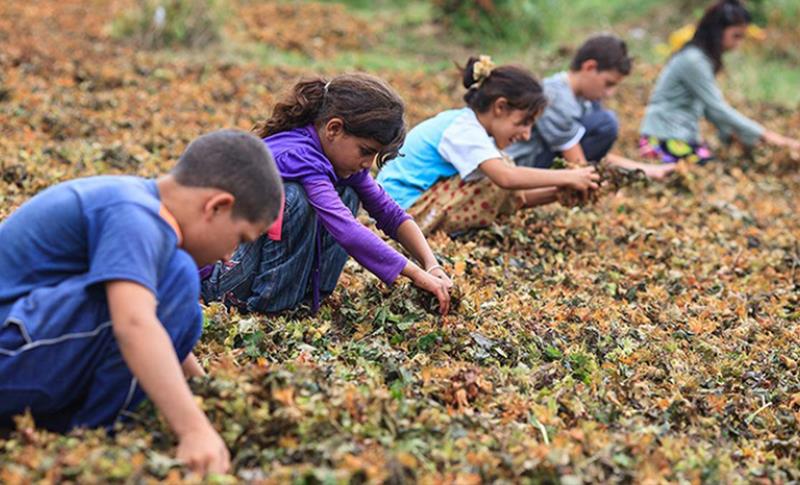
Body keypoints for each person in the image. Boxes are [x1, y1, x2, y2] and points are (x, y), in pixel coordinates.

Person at [0, 130, 283, 475]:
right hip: (9, 354)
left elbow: (164, 328)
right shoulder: (135, 214)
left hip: (26, 350)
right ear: (217, 206)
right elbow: (135, 324)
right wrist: (193, 429)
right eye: (239, 239)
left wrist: (206, 393)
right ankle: (92, 437)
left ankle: (81, 427)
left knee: (184, 306)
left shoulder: (136, 202)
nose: (229, 256)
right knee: (177, 278)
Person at [201, 74, 452, 316]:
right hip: (221, 279)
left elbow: (390, 214)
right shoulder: (298, 155)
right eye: (365, 151)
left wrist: (431, 265)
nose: (368, 164)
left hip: (251, 269)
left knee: (348, 192)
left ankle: (307, 296)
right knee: (294, 199)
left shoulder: (338, 159)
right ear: (334, 129)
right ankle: (270, 308)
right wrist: (416, 275)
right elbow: (348, 230)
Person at [376, 56, 600, 236]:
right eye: (524, 123)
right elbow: (506, 180)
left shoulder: (471, 128)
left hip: (405, 206)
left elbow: (511, 194)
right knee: (498, 175)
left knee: (499, 172)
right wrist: (568, 177)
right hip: (399, 212)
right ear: (500, 107)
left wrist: (558, 192)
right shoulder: (463, 129)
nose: (526, 134)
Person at [640, 0, 800, 163]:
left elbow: (711, 111)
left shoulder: (701, 59)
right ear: (717, 31)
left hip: (678, 135)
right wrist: (769, 136)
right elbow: (717, 108)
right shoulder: (693, 61)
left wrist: (736, 135)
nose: (738, 44)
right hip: (664, 137)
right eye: (736, 36)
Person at [506, 35, 674, 180]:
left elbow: (591, 154)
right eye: (608, 84)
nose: (609, 93)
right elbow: (576, 160)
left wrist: (646, 170)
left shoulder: (583, 101)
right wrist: (590, 184)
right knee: (606, 123)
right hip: (522, 165)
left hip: (546, 160)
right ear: (589, 67)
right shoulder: (555, 97)